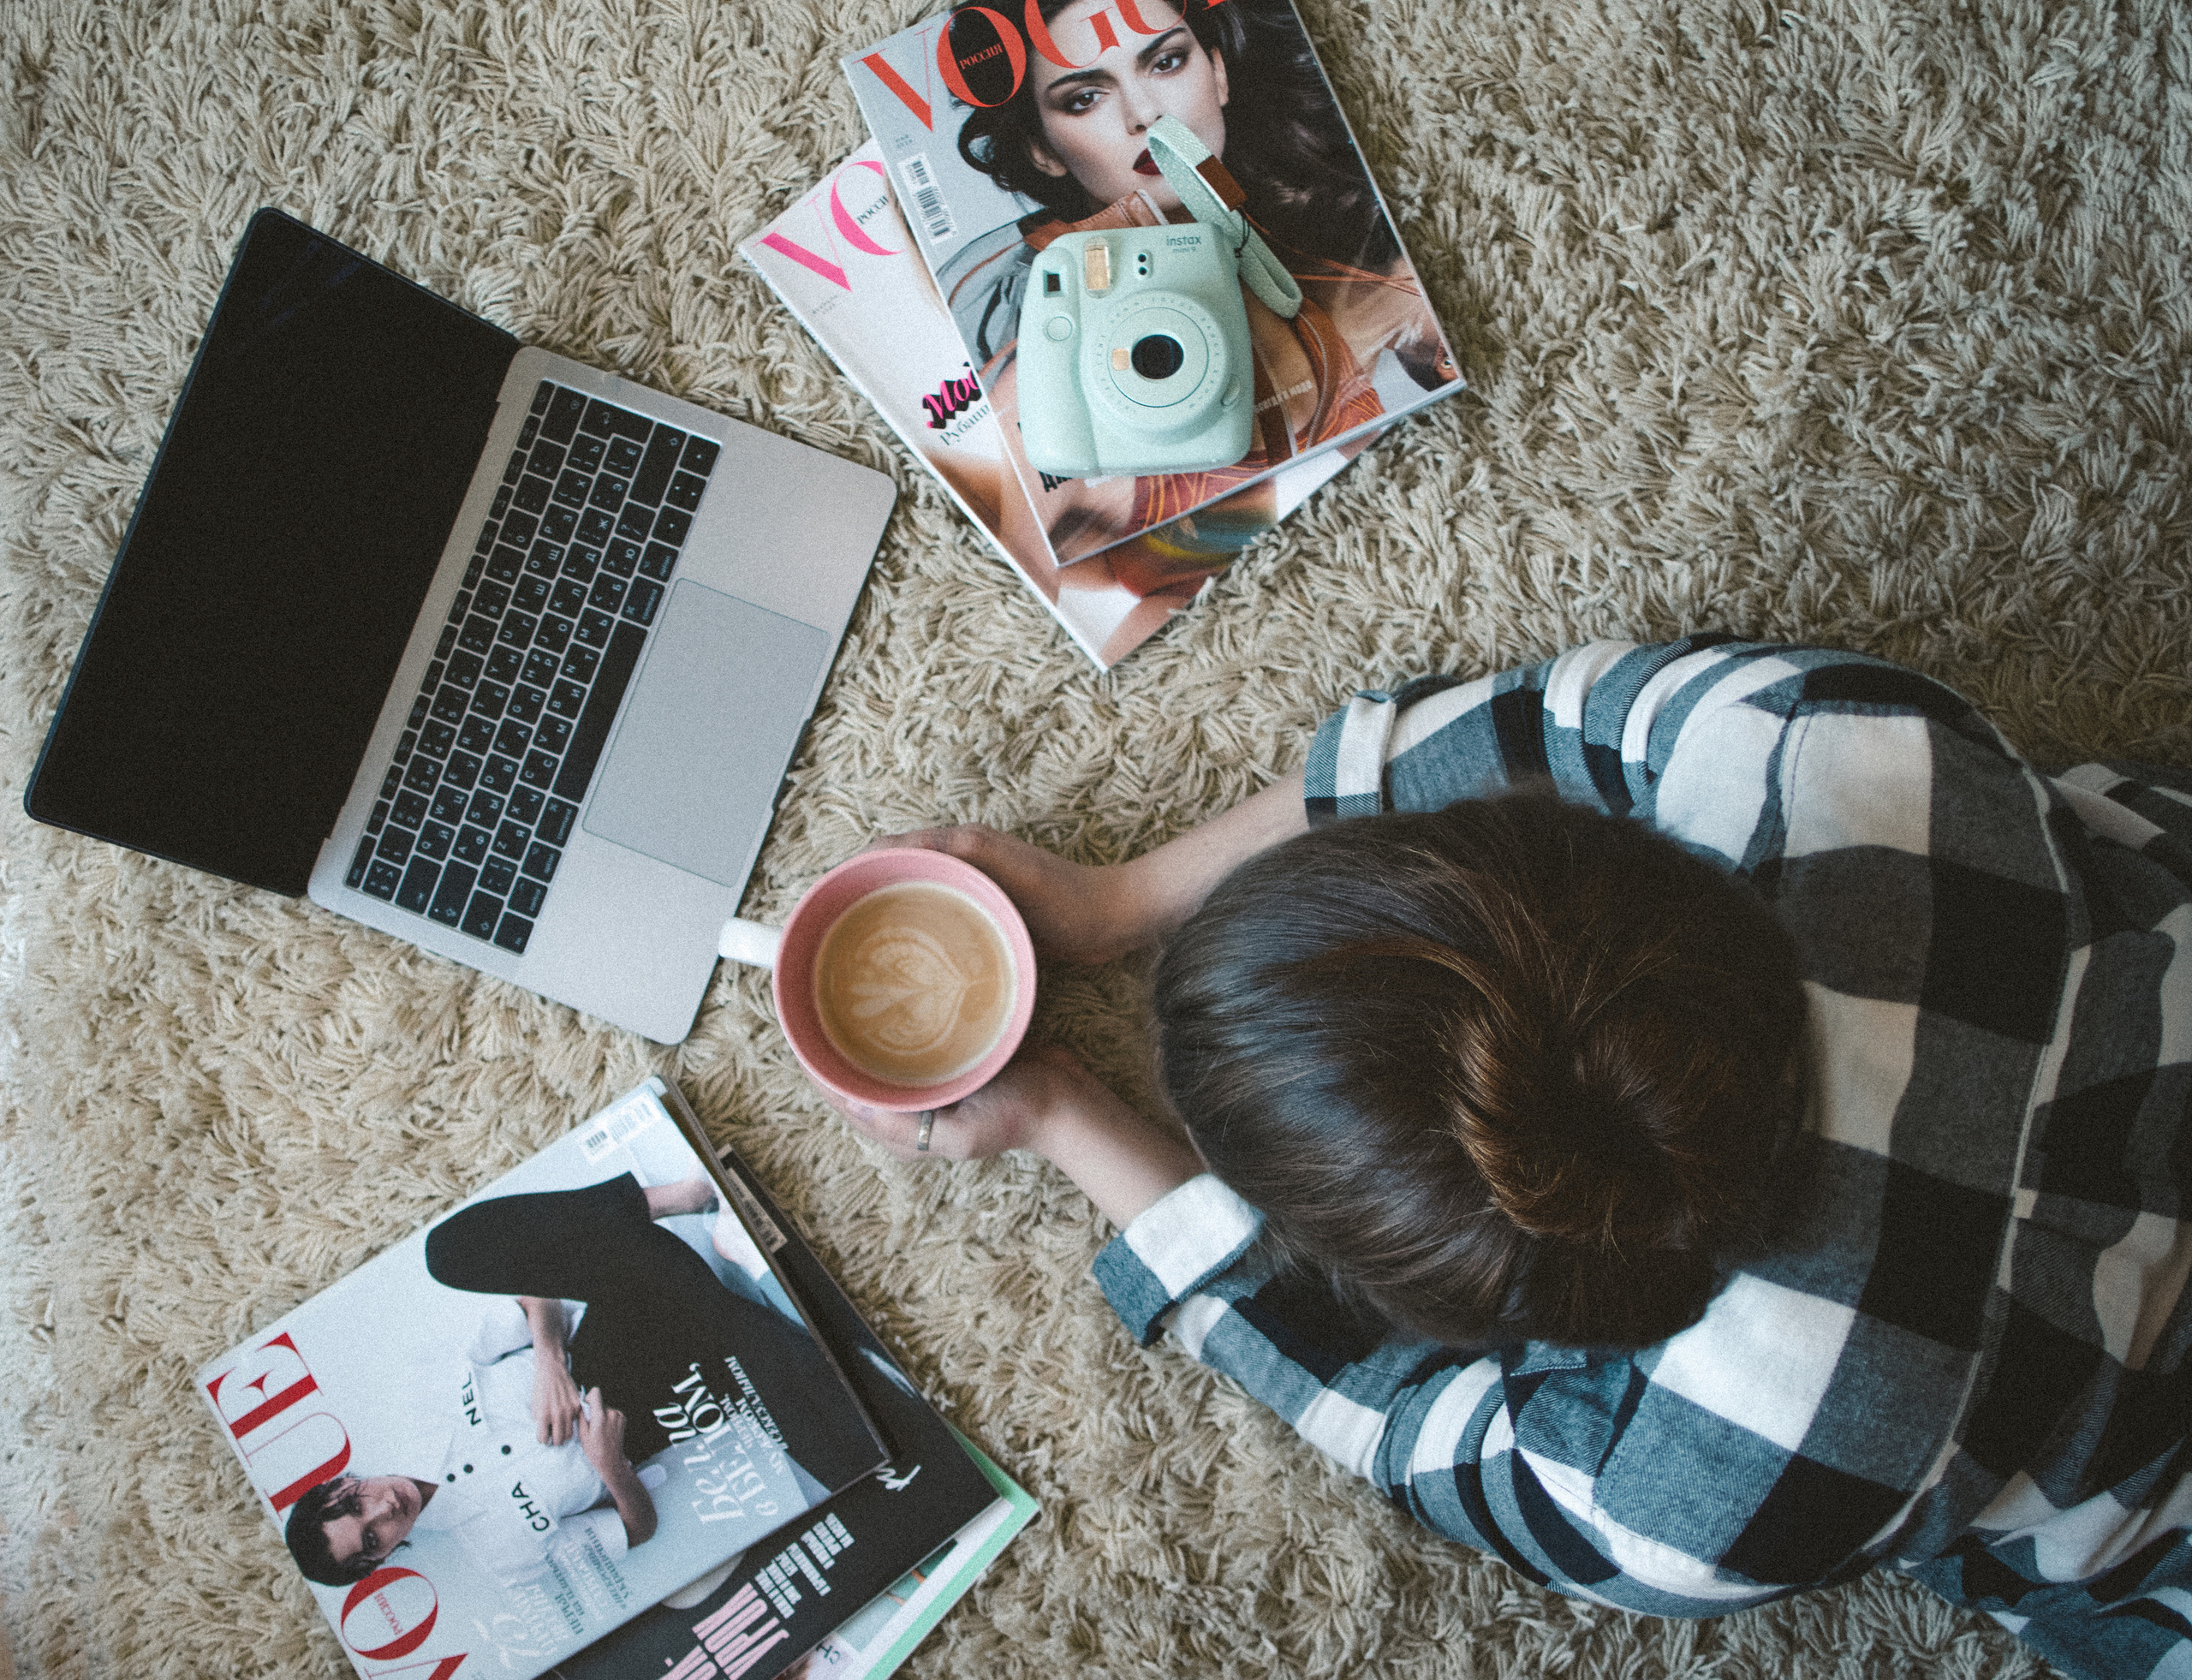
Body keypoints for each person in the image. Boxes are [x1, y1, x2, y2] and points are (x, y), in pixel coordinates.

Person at [829, 635, 2192, 1680]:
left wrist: (1067, 1114)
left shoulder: (1691, 1495)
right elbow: (1532, 727)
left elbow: (1377, 1402)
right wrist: (1121, 903)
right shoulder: (1821, 737)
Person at [940, 0, 1457, 564]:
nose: (1144, 114)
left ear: (1218, 72)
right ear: (1043, 151)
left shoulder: (1345, 235)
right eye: (1085, 98)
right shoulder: (1018, 313)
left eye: (1166, 63)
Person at [287, 1170, 880, 1588]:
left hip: (633, 1294)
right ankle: (749, 1303)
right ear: (381, 1559)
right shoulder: (502, 1557)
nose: (385, 1509)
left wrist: (547, 1358)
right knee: (863, 1464)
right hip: (693, 1388)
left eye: (356, 1502)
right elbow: (637, 1529)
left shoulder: (419, 1397)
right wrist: (609, 1464)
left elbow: (529, 1287)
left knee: (448, 1252)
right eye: (372, 1538)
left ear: (344, 1481)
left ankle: (677, 1197)